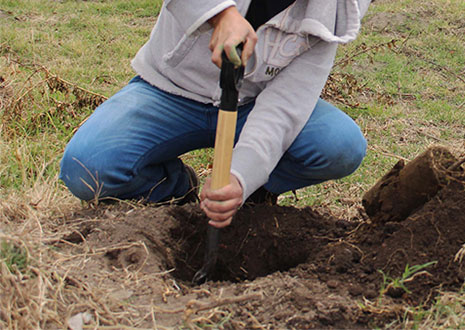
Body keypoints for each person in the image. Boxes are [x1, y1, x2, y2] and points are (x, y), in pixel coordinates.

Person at [59, 0, 371, 229]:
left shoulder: (345, 4)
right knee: (86, 167)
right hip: (171, 90)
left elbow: (290, 99)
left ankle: (251, 196)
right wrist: (221, 13)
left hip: (254, 103)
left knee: (339, 146)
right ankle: (177, 190)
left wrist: (242, 175)